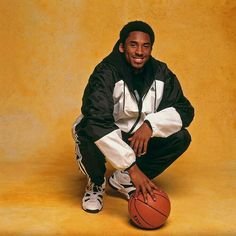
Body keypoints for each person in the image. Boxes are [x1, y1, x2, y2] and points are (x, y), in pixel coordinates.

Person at [72, 21, 194, 213]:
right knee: (87, 130)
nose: (139, 51)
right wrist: (132, 167)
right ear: (122, 46)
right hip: (105, 133)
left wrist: (150, 125)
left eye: (146, 46)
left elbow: (184, 109)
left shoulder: (161, 72)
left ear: (151, 49)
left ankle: (122, 180)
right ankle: (96, 183)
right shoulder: (105, 72)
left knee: (181, 138)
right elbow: (96, 120)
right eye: (133, 44)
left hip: (136, 136)